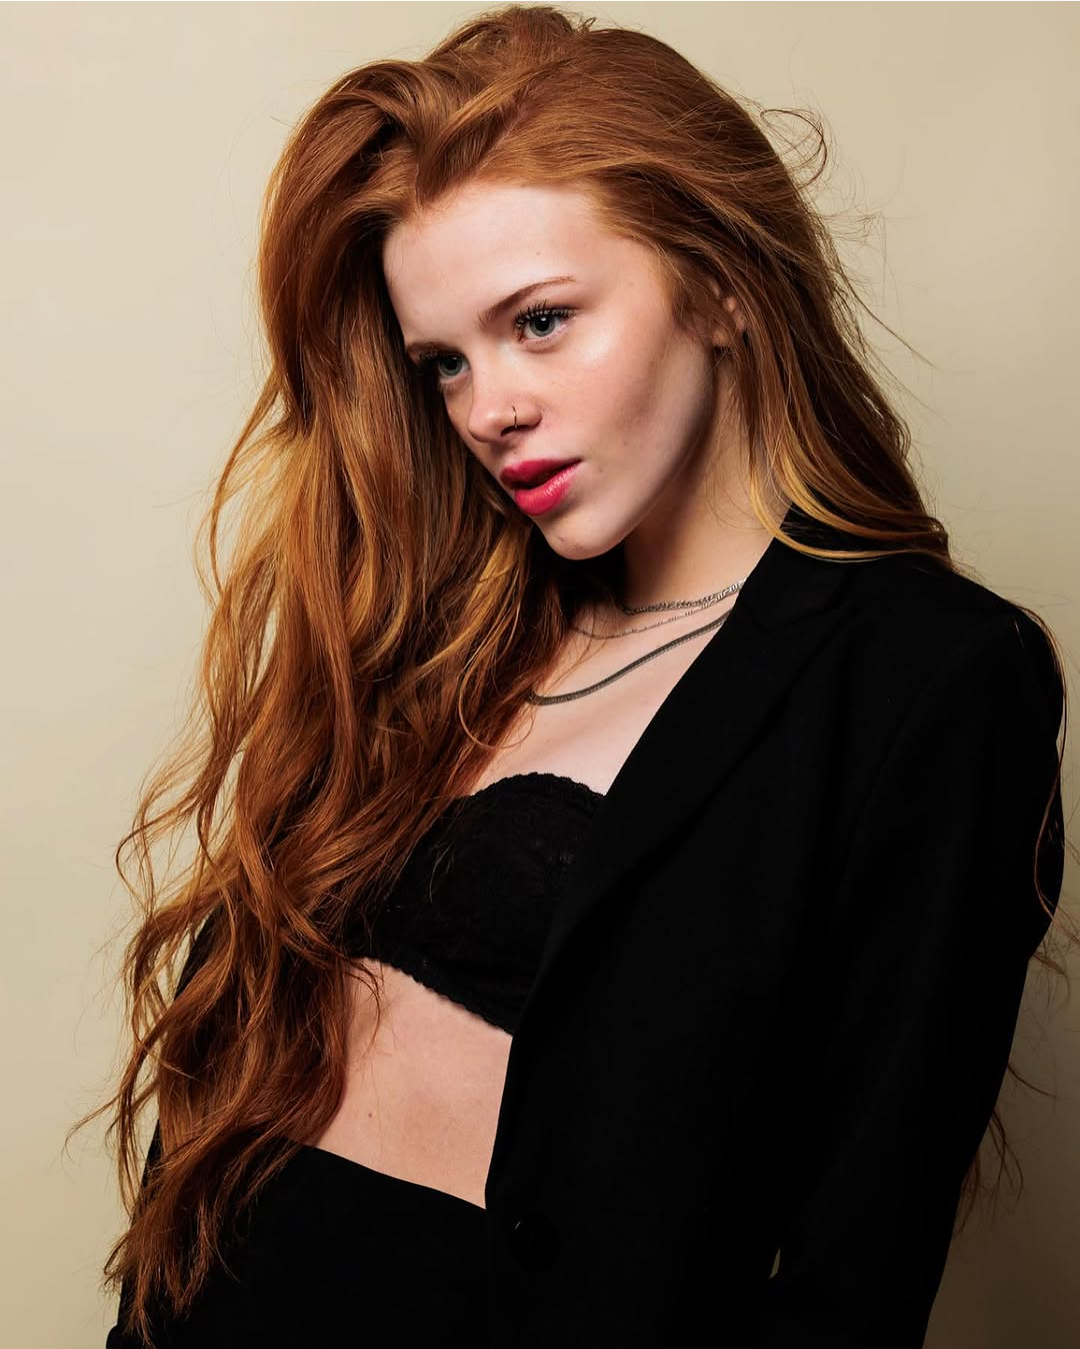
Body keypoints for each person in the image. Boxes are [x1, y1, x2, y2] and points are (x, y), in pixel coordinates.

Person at [84, 6, 1071, 1347]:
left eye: (540, 322)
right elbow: (232, 1079)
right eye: (445, 362)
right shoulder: (441, 624)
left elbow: (858, 1260)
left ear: (720, 286)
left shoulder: (927, 676)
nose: (489, 407)